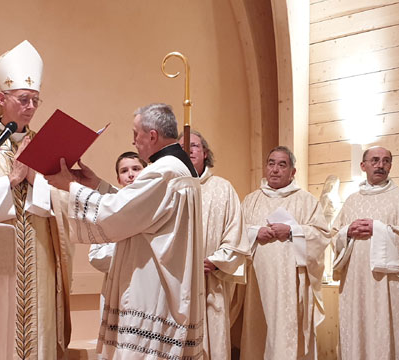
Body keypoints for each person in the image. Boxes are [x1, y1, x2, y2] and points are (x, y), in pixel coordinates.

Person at [45, 103, 204, 360]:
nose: (133, 140)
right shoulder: (179, 167)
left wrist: (71, 186)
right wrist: (97, 185)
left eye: (136, 133)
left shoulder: (163, 171)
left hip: (153, 286)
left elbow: (116, 215)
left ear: (152, 135)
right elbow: (139, 211)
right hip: (167, 282)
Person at [0, 40, 74, 360]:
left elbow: (64, 204)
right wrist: (10, 180)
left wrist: (34, 179)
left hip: (40, 256)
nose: (30, 107)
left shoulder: (47, 144)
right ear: (2, 99)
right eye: (23, 99)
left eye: (35, 101)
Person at [238, 146, 332, 360]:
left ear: (292, 172)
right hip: (258, 283)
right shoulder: (251, 200)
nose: (275, 169)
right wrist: (255, 232)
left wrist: (292, 230)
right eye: (271, 163)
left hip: (291, 285)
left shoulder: (306, 201)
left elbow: (322, 235)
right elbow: (235, 233)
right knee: (259, 333)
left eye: (282, 165)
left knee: (287, 333)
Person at [331, 146, 399, 360]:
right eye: (375, 160)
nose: (381, 165)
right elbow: (333, 235)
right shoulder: (352, 200)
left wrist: (378, 229)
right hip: (355, 283)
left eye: (386, 161)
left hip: (387, 286)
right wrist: (347, 232)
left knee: (384, 335)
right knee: (356, 333)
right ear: (363, 166)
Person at [182, 130, 251, 360]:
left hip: (211, 281)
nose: (189, 150)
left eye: (194, 146)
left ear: (205, 153)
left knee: (214, 343)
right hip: (176, 283)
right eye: (183, 147)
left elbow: (236, 234)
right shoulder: (170, 187)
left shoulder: (223, 188)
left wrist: (215, 261)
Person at [86, 151, 146, 314]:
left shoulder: (158, 205)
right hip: (119, 289)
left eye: (136, 168)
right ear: (119, 179)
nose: (131, 175)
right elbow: (95, 257)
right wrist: (130, 246)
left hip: (149, 288)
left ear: (146, 172)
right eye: (124, 171)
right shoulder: (108, 210)